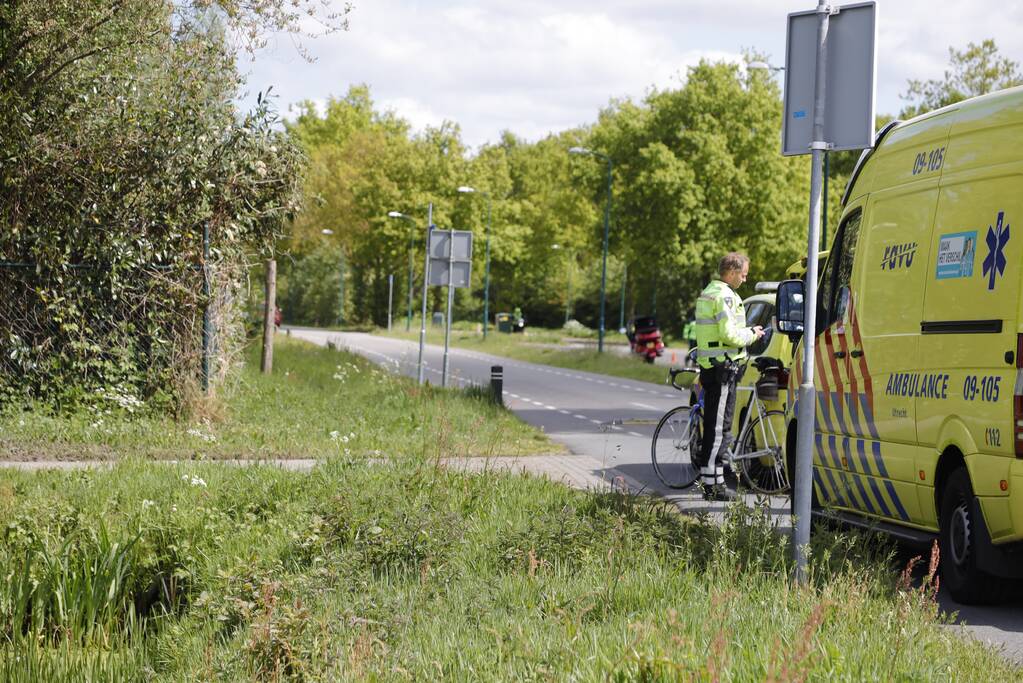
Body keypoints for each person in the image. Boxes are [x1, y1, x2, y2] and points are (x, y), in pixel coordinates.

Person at [694, 252, 765, 501]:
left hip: (713, 366)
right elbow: (728, 335)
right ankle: (713, 486)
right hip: (722, 367)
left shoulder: (709, 291)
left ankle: (711, 481)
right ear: (732, 272)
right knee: (718, 427)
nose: (744, 280)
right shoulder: (723, 296)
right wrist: (752, 334)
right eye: (743, 275)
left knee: (718, 426)